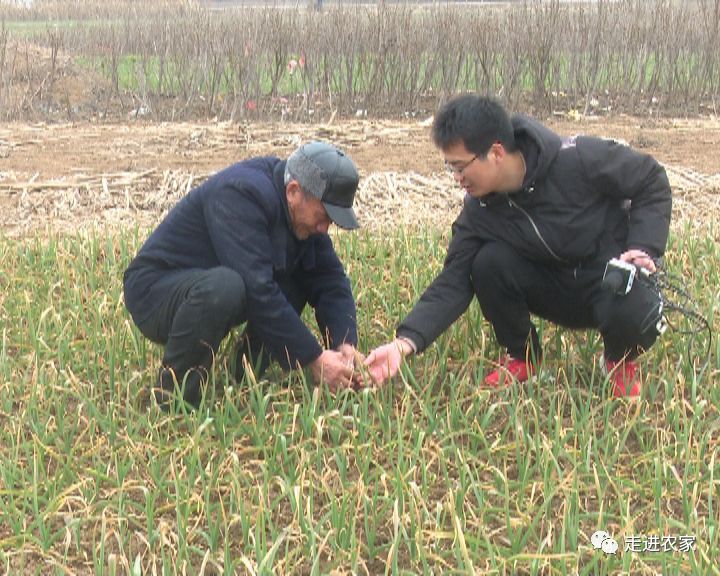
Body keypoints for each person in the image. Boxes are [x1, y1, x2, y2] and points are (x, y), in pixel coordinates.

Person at [365, 95, 671, 397]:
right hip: (555, 290)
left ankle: (619, 359)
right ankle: (524, 357)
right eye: (451, 168)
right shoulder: (479, 211)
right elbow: (452, 282)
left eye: (461, 167)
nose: (457, 178)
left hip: (608, 281)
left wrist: (643, 248)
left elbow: (651, 180)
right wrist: (403, 344)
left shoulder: (578, 158)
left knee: (636, 301)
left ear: (496, 152)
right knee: (486, 263)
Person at [124, 141, 363, 408]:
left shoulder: (299, 213)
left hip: (208, 285)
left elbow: (330, 280)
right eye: (323, 216)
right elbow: (257, 289)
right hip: (155, 290)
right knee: (227, 287)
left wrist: (345, 345)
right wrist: (315, 359)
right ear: (294, 191)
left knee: (294, 272)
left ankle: (247, 371)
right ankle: (174, 400)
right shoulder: (241, 193)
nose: (324, 228)